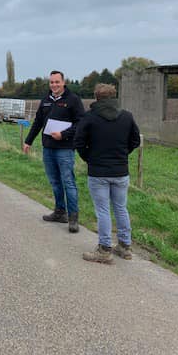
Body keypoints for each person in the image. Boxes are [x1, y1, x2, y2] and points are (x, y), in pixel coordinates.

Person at [74, 83, 141, 264]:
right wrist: (123, 154)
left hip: (98, 172)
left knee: (103, 210)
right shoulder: (127, 117)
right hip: (121, 171)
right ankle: (125, 247)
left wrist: (89, 158)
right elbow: (135, 140)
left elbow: (79, 142)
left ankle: (104, 250)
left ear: (96, 97)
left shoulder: (89, 117)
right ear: (113, 97)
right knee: (121, 208)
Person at [23, 70, 85, 233]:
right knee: (55, 182)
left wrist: (63, 135)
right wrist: (28, 141)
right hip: (48, 148)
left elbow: (81, 124)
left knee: (68, 182)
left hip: (65, 149)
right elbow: (37, 122)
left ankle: (73, 218)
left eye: (57, 82)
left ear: (64, 82)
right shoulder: (45, 100)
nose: (54, 85)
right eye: (51, 82)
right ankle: (60, 212)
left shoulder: (73, 100)